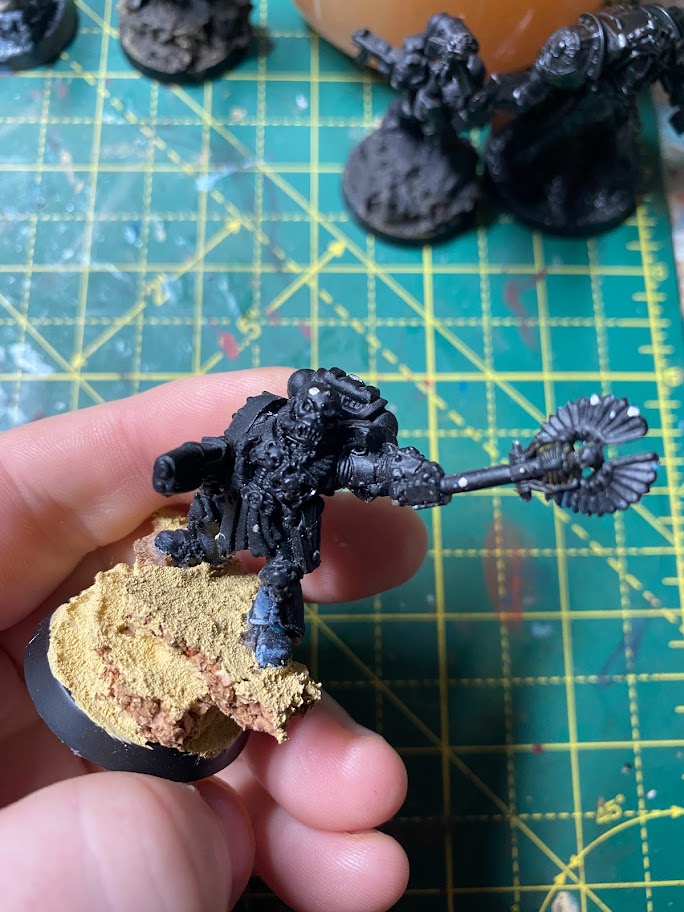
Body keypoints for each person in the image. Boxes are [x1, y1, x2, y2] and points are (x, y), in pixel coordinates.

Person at [0, 368, 427, 912]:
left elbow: (367, 471)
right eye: (306, 410)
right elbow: (220, 450)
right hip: (227, 511)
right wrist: (182, 464)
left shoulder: (328, 455)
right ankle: (187, 554)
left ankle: (266, 633)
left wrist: (413, 477)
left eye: (320, 418)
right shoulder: (265, 425)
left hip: (284, 532)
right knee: (200, 540)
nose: (308, 422)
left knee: (280, 581)